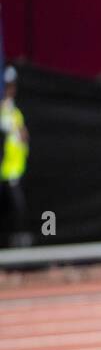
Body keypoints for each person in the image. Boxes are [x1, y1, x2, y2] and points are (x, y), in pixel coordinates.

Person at [0, 66, 31, 246]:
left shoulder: (15, 113)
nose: (11, 90)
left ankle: (19, 244)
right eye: (7, 86)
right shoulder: (4, 112)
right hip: (4, 170)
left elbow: (23, 137)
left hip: (14, 171)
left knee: (18, 210)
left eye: (13, 86)